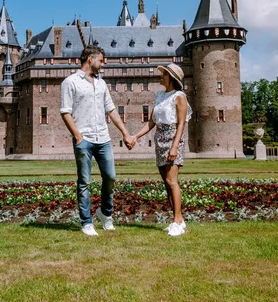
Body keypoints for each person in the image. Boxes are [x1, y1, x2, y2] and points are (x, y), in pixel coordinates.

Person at [60, 45, 132, 236]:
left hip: (103, 137)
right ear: (89, 59)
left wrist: (125, 133)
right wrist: (77, 136)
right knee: (84, 182)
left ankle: (105, 213)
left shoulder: (101, 84)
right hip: (84, 139)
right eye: (101, 60)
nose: (103, 64)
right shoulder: (70, 82)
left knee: (110, 176)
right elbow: (65, 112)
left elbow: (112, 110)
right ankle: (86, 222)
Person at [129, 63, 192, 237]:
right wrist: (136, 136)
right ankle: (177, 220)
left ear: (171, 78)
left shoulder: (179, 97)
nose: (161, 77)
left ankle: (177, 220)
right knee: (166, 183)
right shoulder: (159, 96)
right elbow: (151, 122)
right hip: (160, 139)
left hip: (173, 139)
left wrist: (174, 146)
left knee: (172, 181)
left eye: (164, 75)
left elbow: (181, 124)